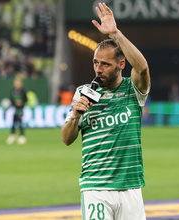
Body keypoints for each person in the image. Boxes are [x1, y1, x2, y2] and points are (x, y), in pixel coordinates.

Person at [61, 3, 150, 220]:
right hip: (96, 186)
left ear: (121, 64)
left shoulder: (133, 90)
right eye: (95, 63)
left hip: (130, 186)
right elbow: (66, 139)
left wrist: (115, 34)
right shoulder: (83, 92)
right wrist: (75, 116)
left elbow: (142, 68)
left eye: (105, 64)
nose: (98, 69)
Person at [7, 77, 28, 145]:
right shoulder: (13, 90)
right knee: (13, 123)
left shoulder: (23, 91)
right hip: (15, 109)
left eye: (18, 83)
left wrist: (21, 102)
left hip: (21, 109)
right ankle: (12, 135)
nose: (16, 84)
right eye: (16, 83)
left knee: (20, 123)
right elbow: (11, 99)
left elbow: (26, 99)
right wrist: (14, 103)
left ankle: (22, 136)